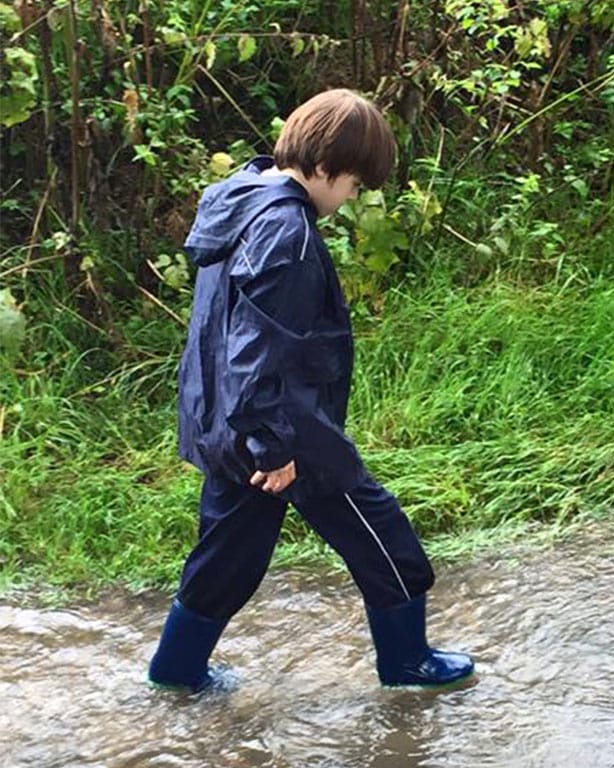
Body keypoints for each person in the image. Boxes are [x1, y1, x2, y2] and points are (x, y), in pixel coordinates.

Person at [148, 89, 474, 694]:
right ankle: (408, 664)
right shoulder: (287, 232)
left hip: (226, 425)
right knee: (385, 538)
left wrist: (253, 436)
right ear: (325, 166)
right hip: (283, 432)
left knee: (228, 557)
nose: (350, 200)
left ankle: (176, 671)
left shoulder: (239, 199)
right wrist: (274, 448)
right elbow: (256, 350)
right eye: (353, 185)